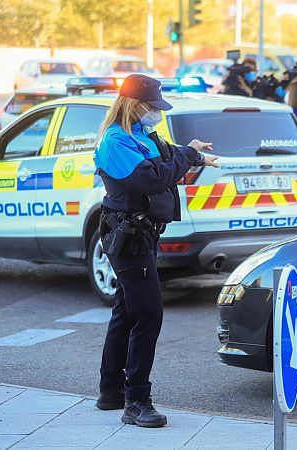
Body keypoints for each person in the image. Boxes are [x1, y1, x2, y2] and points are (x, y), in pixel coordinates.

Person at [92, 74, 219, 428]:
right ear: (135, 105)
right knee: (148, 314)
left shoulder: (140, 133)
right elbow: (151, 178)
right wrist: (187, 156)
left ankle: (110, 391)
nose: (157, 114)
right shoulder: (116, 141)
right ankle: (136, 401)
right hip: (128, 236)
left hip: (142, 233)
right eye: (153, 108)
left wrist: (192, 154)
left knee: (126, 311)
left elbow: (166, 157)